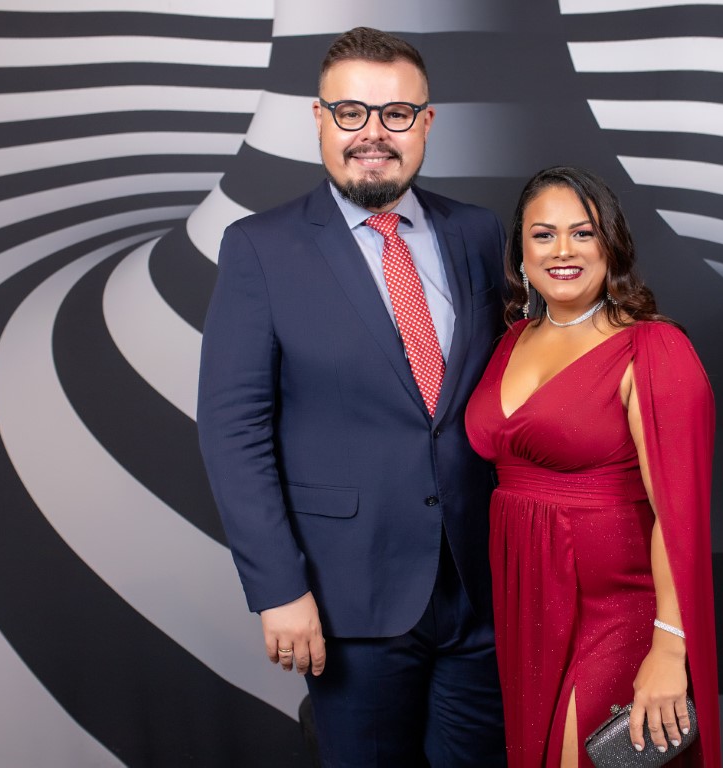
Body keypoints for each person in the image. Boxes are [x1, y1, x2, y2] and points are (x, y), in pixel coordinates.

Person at [196, 27, 507, 767]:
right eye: (351, 113)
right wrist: (278, 588)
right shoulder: (260, 248)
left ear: (426, 122)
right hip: (348, 597)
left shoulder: (479, 233)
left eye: (396, 113)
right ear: (319, 119)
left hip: (482, 590)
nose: (374, 133)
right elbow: (233, 431)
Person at [465, 166, 721, 767]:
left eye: (583, 233)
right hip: (526, 603)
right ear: (520, 252)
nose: (563, 250)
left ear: (612, 245)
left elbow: (679, 516)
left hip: (614, 611)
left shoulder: (652, 348)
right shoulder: (511, 341)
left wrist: (669, 648)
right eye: (543, 234)